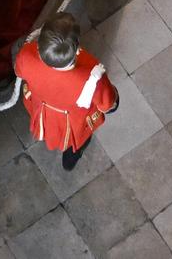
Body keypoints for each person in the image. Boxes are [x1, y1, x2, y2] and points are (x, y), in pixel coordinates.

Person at [15, 12, 119, 171]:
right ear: (77, 49)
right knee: (78, 141)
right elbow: (108, 104)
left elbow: (19, 72)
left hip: (42, 108)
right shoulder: (91, 73)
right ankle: (70, 161)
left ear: (40, 43)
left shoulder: (26, 54)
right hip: (73, 122)